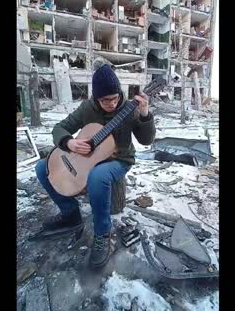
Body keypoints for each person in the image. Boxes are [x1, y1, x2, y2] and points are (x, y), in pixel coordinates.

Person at [34, 64, 156, 268]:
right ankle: (70, 214)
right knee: (41, 168)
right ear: (96, 98)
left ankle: (102, 234)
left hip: (119, 160)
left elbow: (146, 140)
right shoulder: (87, 108)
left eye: (115, 97)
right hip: (86, 160)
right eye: (105, 100)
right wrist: (69, 142)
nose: (112, 103)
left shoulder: (129, 108)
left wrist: (144, 114)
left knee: (98, 177)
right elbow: (60, 128)